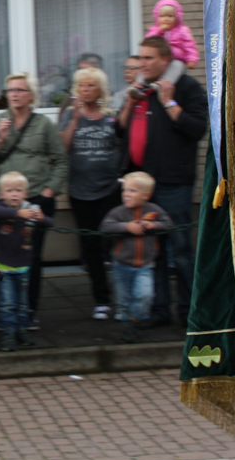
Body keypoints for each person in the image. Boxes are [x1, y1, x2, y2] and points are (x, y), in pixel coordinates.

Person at [118, 37, 206, 326]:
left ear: (165, 61)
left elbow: (197, 129)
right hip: (143, 186)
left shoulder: (187, 88)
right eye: (140, 58)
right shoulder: (140, 91)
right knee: (150, 251)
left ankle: (188, 313)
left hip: (173, 184)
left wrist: (169, 101)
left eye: (148, 58)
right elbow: (119, 133)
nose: (141, 64)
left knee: (180, 250)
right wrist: (129, 104)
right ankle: (158, 311)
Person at [0, 71, 67, 330]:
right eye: (10, 91)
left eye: (20, 90)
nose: (14, 95)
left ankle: (28, 313)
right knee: (5, 257)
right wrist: (0, 140)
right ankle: (8, 314)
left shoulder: (43, 125)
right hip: (4, 204)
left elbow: (61, 160)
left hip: (35, 199)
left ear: (31, 95)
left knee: (32, 258)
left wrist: (49, 192)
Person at [58, 67, 123, 321]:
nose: (85, 90)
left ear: (100, 89)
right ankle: (102, 299)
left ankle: (124, 297)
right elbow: (63, 147)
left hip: (109, 190)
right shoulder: (70, 116)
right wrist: (74, 121)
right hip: (80, 192)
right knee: (92, 246)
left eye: (90, 86)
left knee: (113, 243)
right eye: (81, 86)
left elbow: (122, 147)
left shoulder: (112, 116)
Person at [99, 171, 171, 343]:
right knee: (123, 300)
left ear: (146, 195)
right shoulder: (118, 212)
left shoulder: (154, 210)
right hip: (121, 265)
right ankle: (128, 323)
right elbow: (105, 227)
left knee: (145, 295)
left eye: (132, 191)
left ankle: (134, 323)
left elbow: (168, 224)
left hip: (145, 266)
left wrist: (153, 224)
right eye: (125, 190)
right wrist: (127, 227)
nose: (126, 194)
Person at [0, 172, 51, 351]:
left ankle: (21, 331)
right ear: (2, 194)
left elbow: (50, 222)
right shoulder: (1, 208)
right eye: (9, 190)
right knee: (7, 302)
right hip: (2, 266)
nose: (14, 194)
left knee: (22, 303)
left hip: (23, 266)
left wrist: (40, 217)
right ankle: (8, 333)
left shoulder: (30, 209)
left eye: (18, 190)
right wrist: (18, 213)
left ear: (25, 193)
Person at [128, 0, 200, 99]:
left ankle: (162, 85)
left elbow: (190, 45)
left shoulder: (182, 31)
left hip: (176, 58)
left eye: (170, 16)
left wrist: (192, 59)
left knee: (177, 67)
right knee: (144, 66)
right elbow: (148, 41)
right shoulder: (154, 30)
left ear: (177, 17)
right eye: (162, 16)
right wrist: (159, 31)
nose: (166, 19)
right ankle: (138, 86)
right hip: (160, 58)